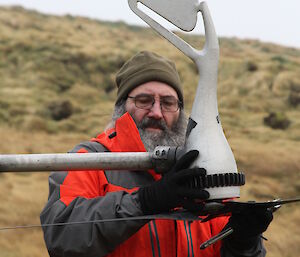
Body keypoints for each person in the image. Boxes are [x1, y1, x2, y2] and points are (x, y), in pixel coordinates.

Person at [40, 51, 273, 257]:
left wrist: (244, 243)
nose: (157, 112)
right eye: (144, 101)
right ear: (121, 107)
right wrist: (145, 201)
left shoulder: (202, 168)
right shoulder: (88, 161)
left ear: (180, 112)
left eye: (168, 103)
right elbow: (62, 238)